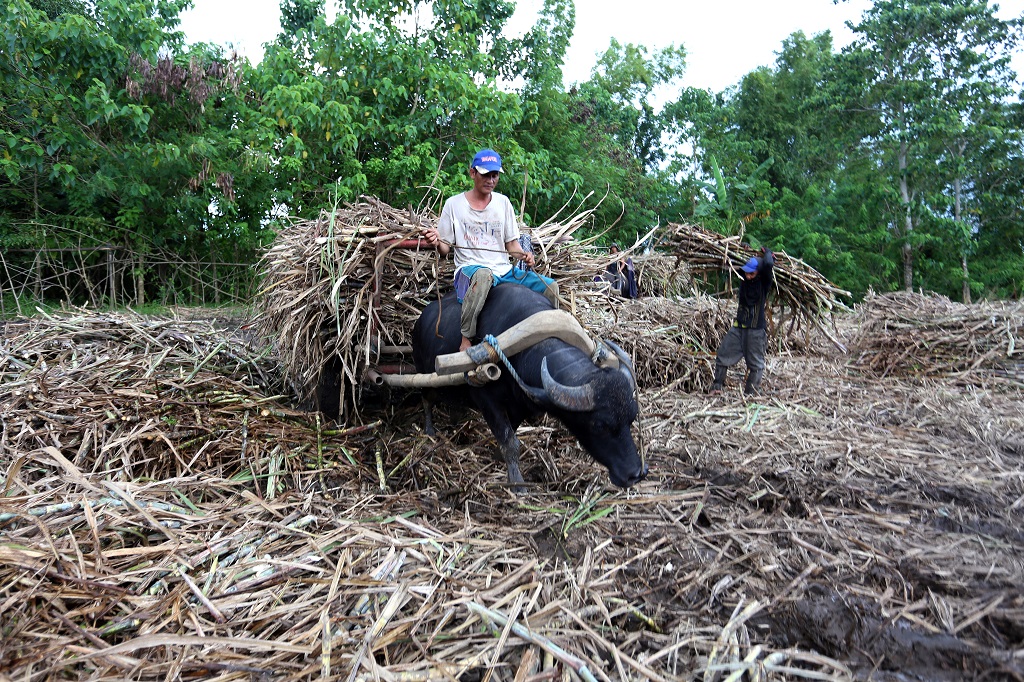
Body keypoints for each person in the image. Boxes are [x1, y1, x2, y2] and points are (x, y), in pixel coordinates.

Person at [421, 149, 559, 352]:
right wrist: (435, 240)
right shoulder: (454, 205)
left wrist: (524, 256)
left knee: (550, 286)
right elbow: (445, 248)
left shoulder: (503, 203)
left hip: (503, 270)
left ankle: (553, 333)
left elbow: (512, 245)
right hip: (470, 271)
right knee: (483, 276)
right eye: (486, 174)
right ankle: (466, 339)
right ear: (472, 173)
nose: (491, 180)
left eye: (495, 175)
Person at [709, 246, 774, 396]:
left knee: (756, 364)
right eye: (746, 272)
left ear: (759, 273)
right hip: (738, 329)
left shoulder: (764, 283)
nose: (748, 275)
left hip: (756, 331)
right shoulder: (744, 279)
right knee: (723, 355)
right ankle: (717, 386)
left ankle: (750, 393)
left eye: (752, 273)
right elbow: (728, 262)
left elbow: (769, 264)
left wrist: (768, 252)